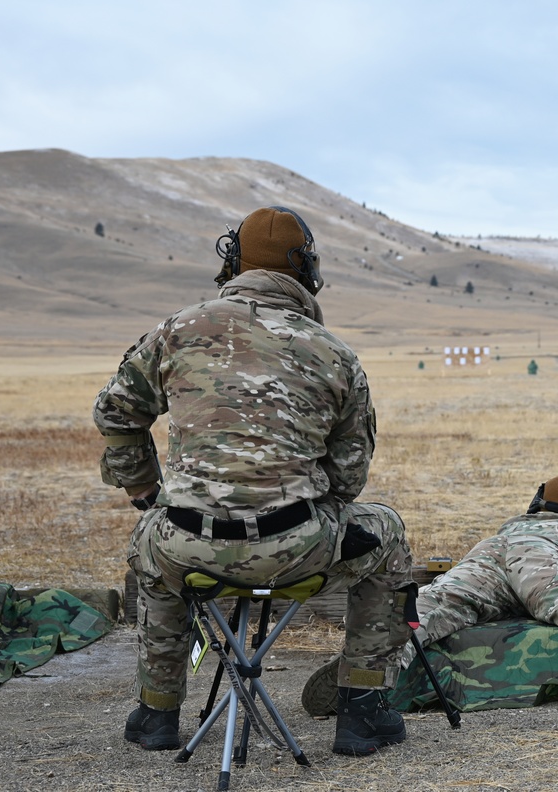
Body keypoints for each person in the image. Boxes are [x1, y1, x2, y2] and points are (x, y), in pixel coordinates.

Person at [93, 206, 414, 757]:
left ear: (232, 262)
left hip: (187, 548)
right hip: (298, 549)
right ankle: (363, 712)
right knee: (384, 533)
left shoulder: (174, 331)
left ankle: (156, 712)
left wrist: (147, 493)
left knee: (151, 542)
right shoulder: (334, 353)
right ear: (308, 270)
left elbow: (117, 416)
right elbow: (350, 476)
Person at [302, 474, 558, 716]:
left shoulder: (511, 525)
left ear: (538, 501)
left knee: (431, 606)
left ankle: (360, 676)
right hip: (541, 562)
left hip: (489, 557)